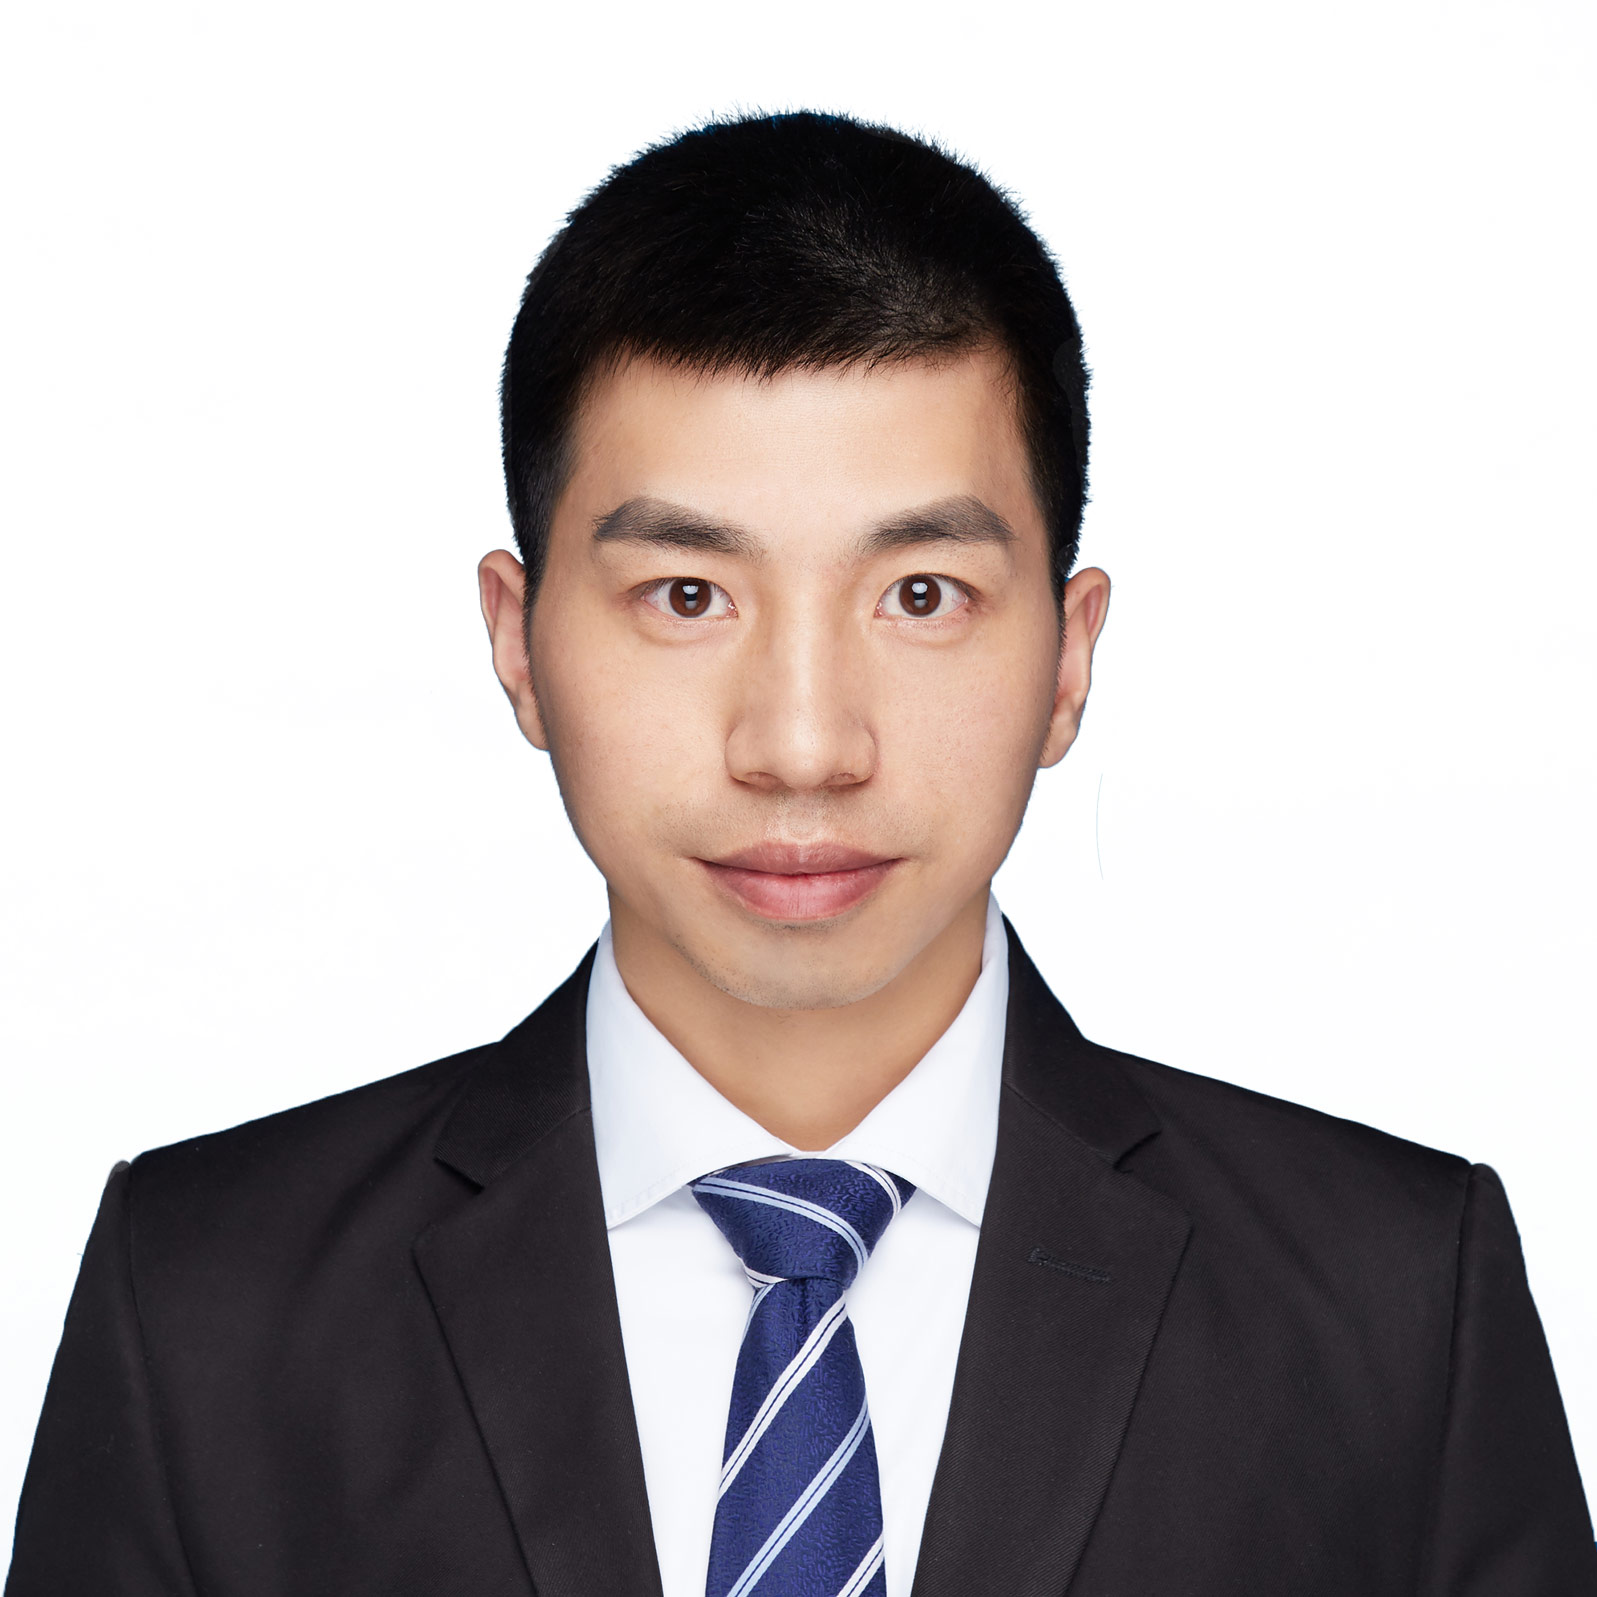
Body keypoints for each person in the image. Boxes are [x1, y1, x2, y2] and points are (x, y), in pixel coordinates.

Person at [6, 110, 1592, 1597]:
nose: (804, 743)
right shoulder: (205, 1304)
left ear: (1066, 658)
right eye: (687, 595)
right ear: (516, 641)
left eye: (920, 595)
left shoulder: (1396, 1309)